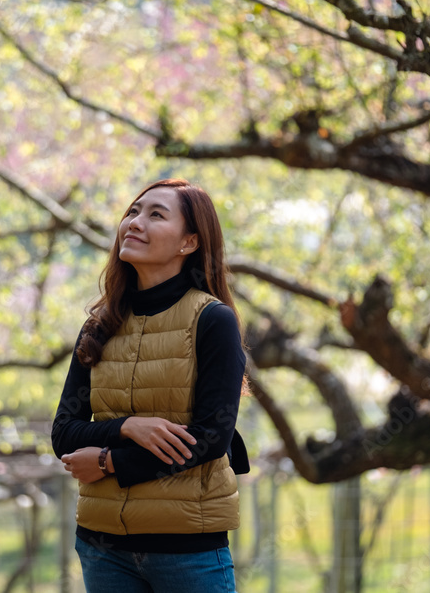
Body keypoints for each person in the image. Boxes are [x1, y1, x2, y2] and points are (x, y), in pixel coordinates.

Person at [51, 178, 249, 593]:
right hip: (102, 547)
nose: (135, 223)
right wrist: (128, 427)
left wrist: (108, 462)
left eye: (156, 215)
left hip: (186, 550)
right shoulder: (99, 326)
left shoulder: (213, 320)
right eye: (133, 212)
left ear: (189, 242)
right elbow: (64, 433)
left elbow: (211, 438)